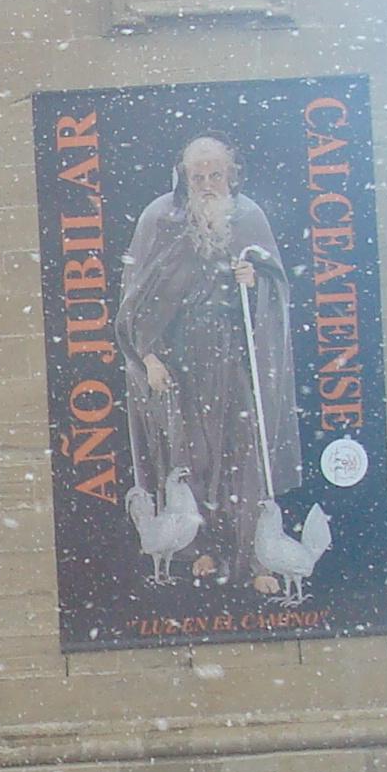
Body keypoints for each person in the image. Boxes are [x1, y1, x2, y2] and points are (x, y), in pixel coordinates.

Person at [114, 134, 300, 591]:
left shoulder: (249, 216)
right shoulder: (160, 218)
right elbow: (136, 300)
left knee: (243, 454)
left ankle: (254, 559)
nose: (207, 184)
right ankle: (201, 549)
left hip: (235, 355)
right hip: (180, 360)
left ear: (231, 174)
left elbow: (276, 290)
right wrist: (148, 357)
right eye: (198, 177)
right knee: (188, 455)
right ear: (184, 177)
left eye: (215, 174)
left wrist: (254, 281)